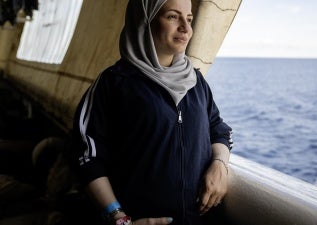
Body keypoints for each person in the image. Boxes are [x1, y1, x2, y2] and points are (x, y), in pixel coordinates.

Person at [70, 0, 233, 224]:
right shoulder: (115, 82)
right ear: (145, 21)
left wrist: (219, 165)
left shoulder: (196, 82)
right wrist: (118, 218)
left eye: (189, 19)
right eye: (173, 17)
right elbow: (86, 156)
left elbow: (218, 129)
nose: (185, 28)